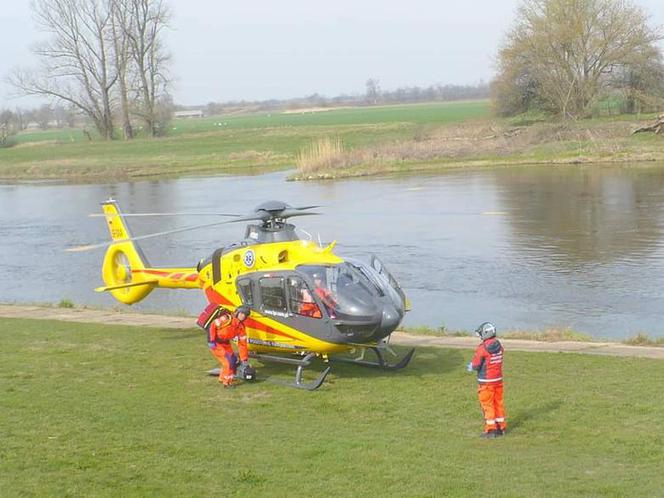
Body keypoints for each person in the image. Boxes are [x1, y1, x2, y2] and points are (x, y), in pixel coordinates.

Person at [467, 322, 507, 439]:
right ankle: (501, 427)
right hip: (498, 380)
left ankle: (490, 430)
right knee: (498, 403)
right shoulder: (499, 346)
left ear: (485, 334)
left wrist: (471, 366)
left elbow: (476, 365)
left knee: (487, 405)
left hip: (486, 382)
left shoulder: (482, 348)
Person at [208, 305, 252, 387]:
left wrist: (244, 359)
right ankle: (227, 382)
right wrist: (212, 340)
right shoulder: (226, 319)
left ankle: (222, 378)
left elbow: (242, 344)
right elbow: (212, 325)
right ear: (237, 313)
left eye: (245, 315)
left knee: (233, 360)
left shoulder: (241, 327)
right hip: (216, 343)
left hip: (225, 343)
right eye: (241, 313)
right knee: (228, 362)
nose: (243, 316)